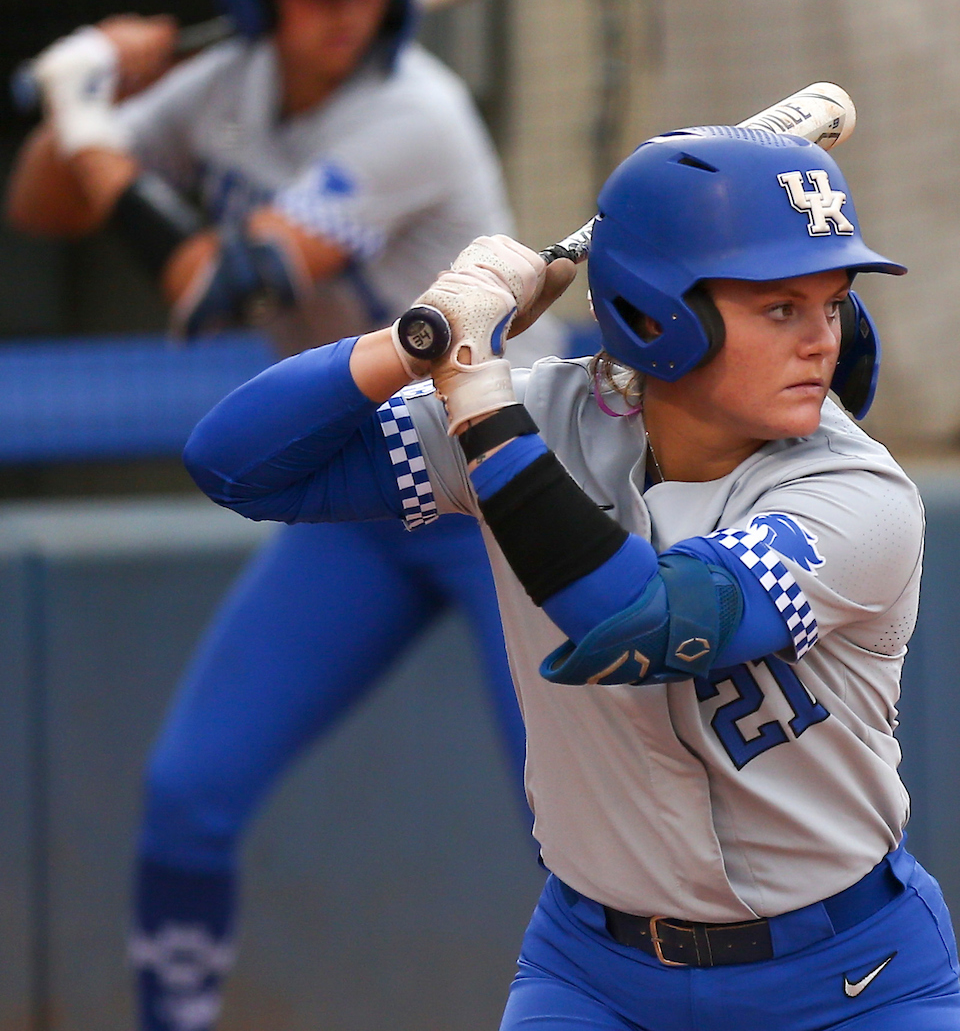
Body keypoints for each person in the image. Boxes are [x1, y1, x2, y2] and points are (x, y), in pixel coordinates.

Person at [182, 125, 960, 1030]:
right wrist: (418, 336)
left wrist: (474, 389)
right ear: (657, 314)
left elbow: (649, 621)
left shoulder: (858, 492)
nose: (821, 340)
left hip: (848, 981)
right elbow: (236, 464)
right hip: (596, 979)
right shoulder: (550, 410)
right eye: (779, 308)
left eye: (832, 303)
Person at [4, 0, 564, 1031]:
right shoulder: (224, 91)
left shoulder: (418, 111)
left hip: (493, 491)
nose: (345, 8)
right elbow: (41, 204)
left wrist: (89, 114)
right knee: (187, 796)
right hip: (361, 497)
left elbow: (218, 286)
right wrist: (82, 104)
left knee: (573, 829)